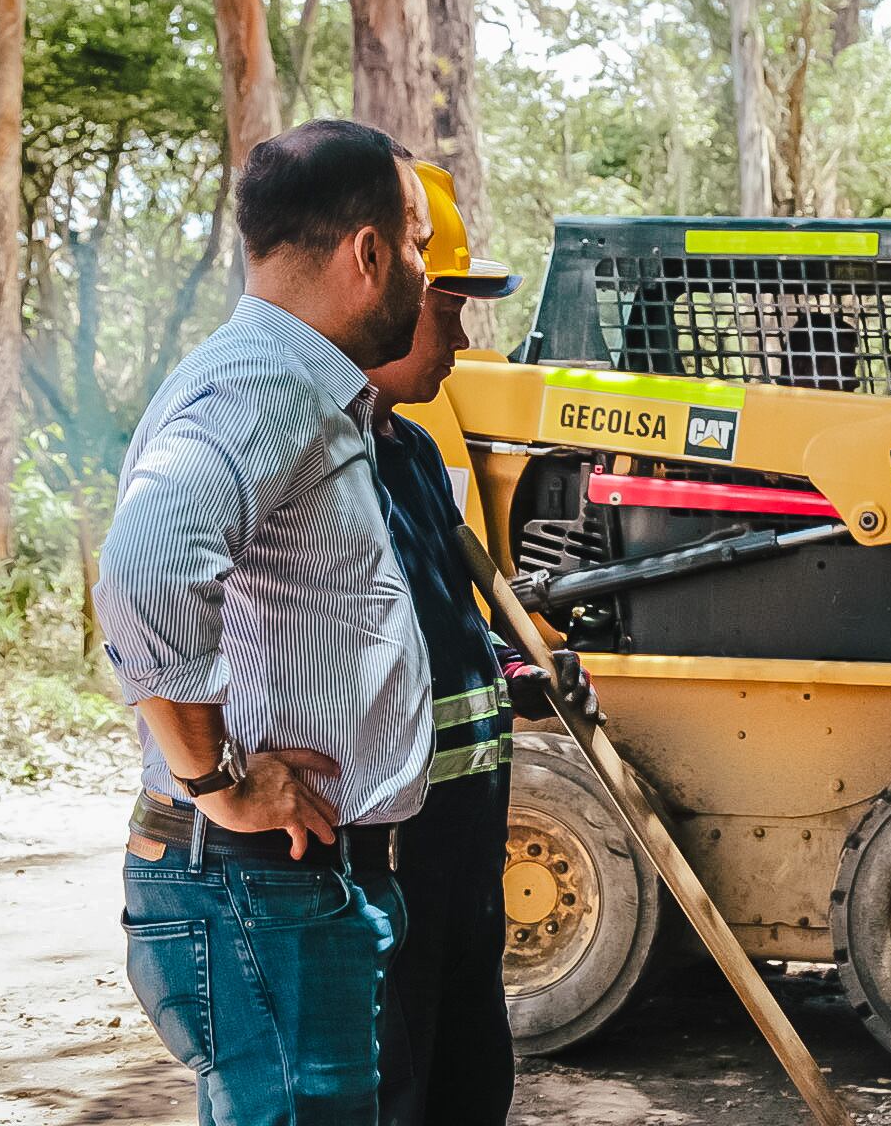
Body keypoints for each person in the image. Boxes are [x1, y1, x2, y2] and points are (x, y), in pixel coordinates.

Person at [95, 118, 434, 1125]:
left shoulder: (299, 388)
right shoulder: (264, 384)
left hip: (287, 886)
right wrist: (221, 779)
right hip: (255, 880)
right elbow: (146, 566)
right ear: (368, 253)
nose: (423, 269)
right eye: (414, 241)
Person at [366, 162, 590, 1125]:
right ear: (379, 289)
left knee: (468, 1089)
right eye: (446, 307)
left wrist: (512, 665)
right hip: (384, 873)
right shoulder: (319, 464)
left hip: (461, 860)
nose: (462, 336)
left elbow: (441, 622)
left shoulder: (410, 454)